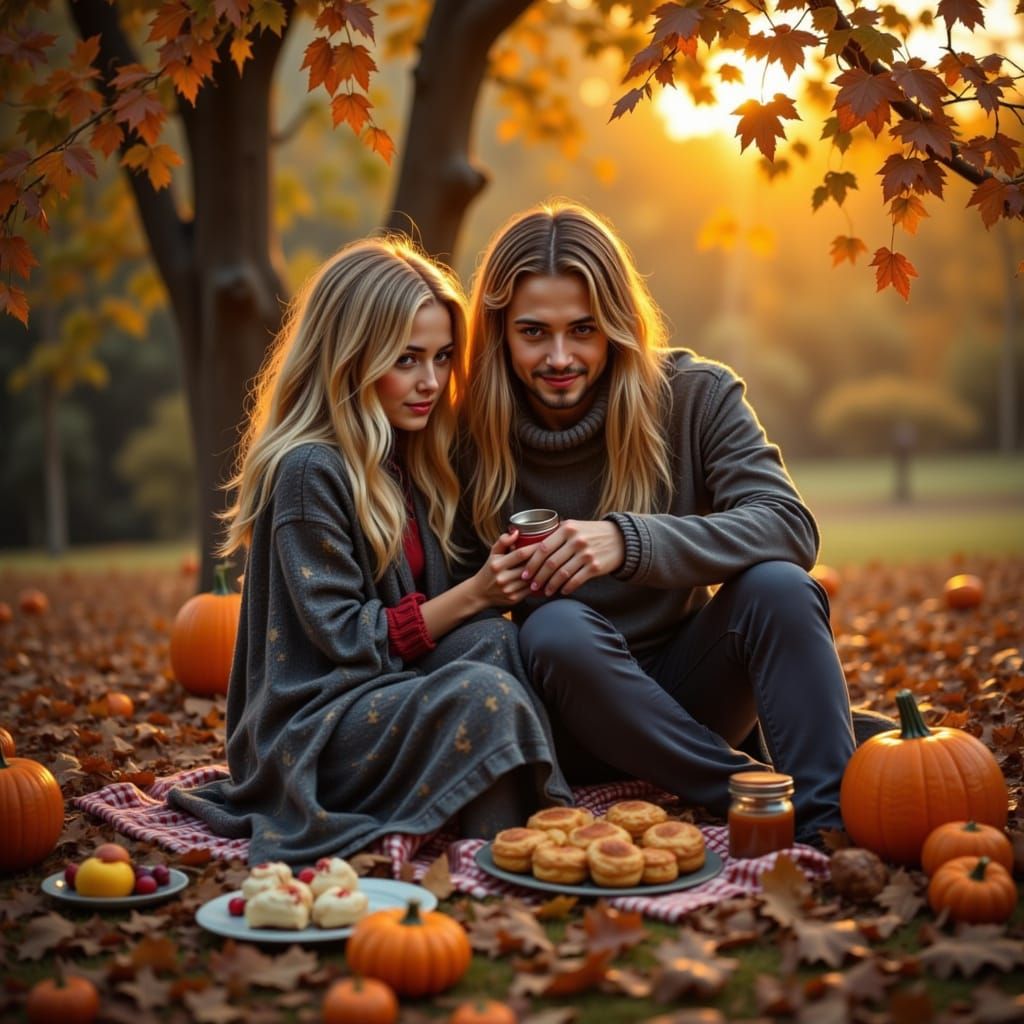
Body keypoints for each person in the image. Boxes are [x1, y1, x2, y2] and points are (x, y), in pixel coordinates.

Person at [456, 200, 890, 847]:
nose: (560, 356)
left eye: (583, 329)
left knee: (779, 585)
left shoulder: (695, 396)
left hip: (695, 692)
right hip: (567, 718)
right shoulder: (461, 435)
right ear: (499, 333)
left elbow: (787, 526)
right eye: (533, 332)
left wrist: (628, 541)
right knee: (556, 627)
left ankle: (827, 826)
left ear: (618, 324)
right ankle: (753, 792)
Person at [169, 237, 571, 864]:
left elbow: (456, 611)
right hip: (315, 731)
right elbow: (348, 639)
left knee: (496, 641)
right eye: (406, 359)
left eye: (442, 357)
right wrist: (476, 593)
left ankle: (518, 829)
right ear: (349, 356)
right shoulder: (309, 470)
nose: (431, 382)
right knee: (481, 698)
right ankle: (497, 856)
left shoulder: (411, 459)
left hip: (387, 694)